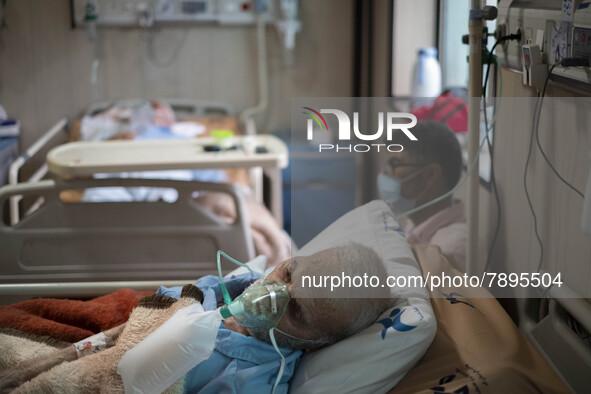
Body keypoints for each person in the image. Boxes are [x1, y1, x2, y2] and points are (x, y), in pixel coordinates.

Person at [0, 244, 392, 393]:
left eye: (297, 311)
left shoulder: (252, 381)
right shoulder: (236, 284)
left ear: (317, 342)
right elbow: (157, 304)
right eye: (288, 273)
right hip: (106, 332)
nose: (271, 293)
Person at [377, 121, 466, 270]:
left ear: (430, 174)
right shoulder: (416, 222)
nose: (383, 174)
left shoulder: (451, 247)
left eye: (394, 164)